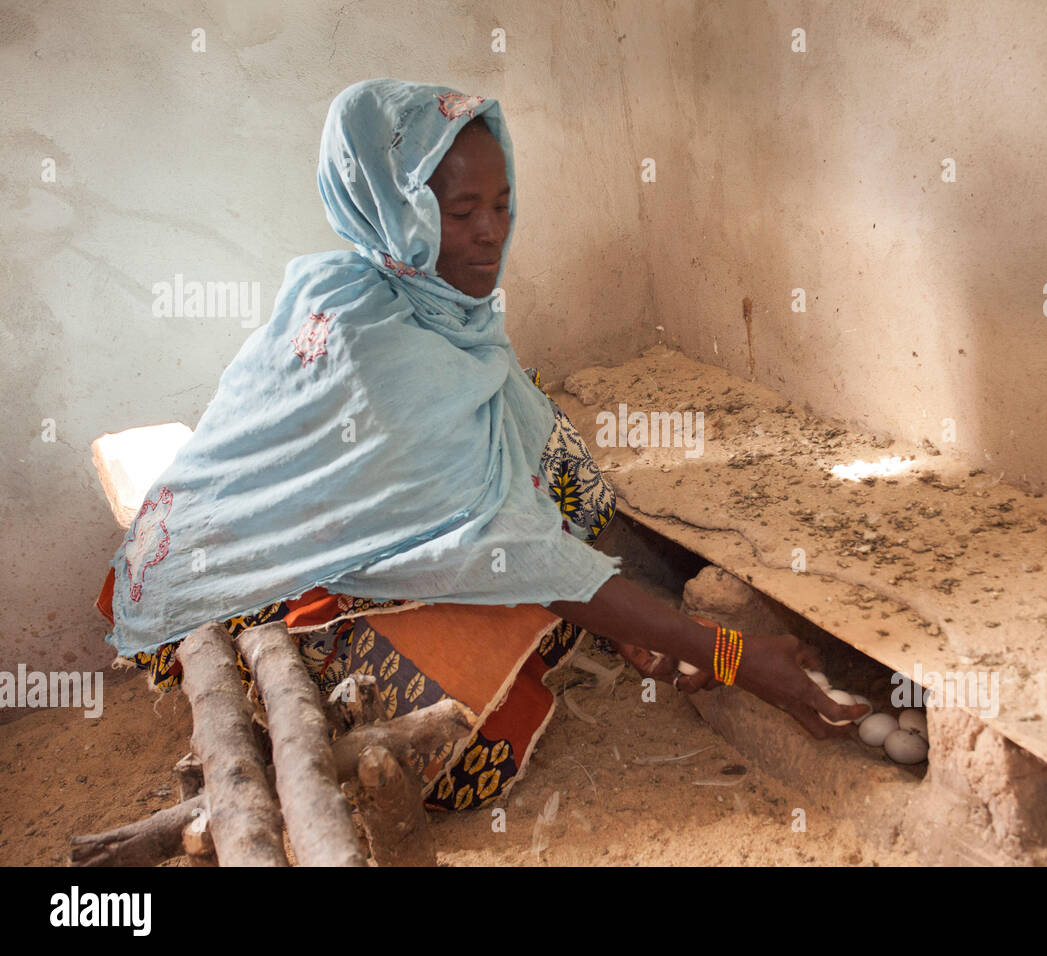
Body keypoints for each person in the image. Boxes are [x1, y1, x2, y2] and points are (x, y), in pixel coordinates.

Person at [96, 79, 863, 812]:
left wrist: (641, 617)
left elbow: (529, 505)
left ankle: (608, 612)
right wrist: (731, 655)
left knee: (522, 411)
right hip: (239, 598)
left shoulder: (430, 309)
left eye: (500, 204)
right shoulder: (369, 340)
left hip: (310, 544)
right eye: (461, 211)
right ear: (397, 213)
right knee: (469, 744)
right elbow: (505, 544)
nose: (492, 231)